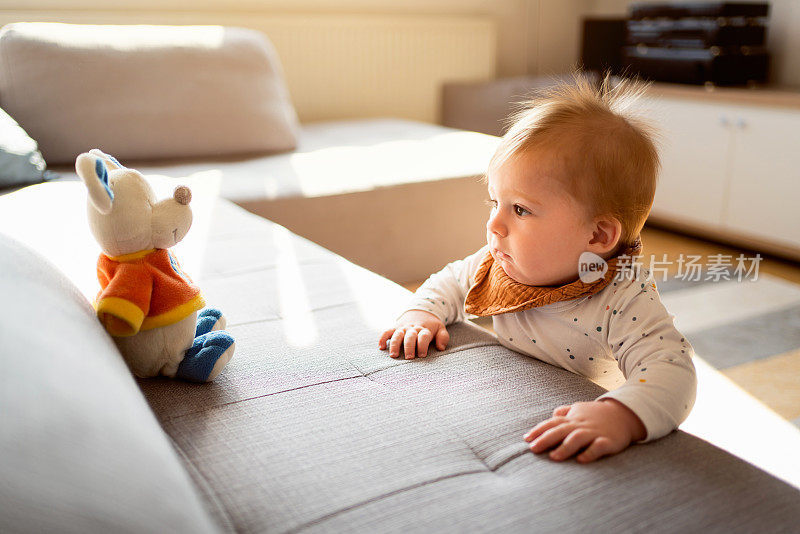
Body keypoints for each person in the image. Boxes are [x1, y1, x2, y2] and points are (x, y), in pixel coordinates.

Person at [378, 74, 697, 464]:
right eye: (494, 202)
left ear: (598, 236)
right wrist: (422, 312)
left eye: (521, 209)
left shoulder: (623, 297)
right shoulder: (500, 261)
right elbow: (452, 281)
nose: (495, 225)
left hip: (579, 413)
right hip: (511, 395)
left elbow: (672, 370)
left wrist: (620, 415)